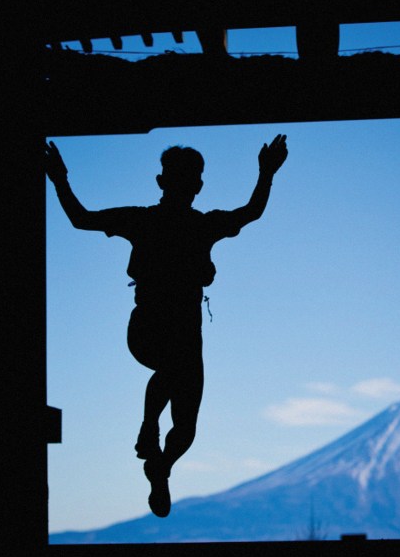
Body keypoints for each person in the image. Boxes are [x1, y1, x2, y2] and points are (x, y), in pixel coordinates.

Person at [44, 135, 288, 517]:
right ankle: (148, 428)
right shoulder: (191, 225)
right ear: (195, 185)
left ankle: (160, 468)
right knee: (175, 366)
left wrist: (60, 178)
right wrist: (266, 174)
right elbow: (251, 211)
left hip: (178, 337)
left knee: (187, 428)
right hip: (155, 331)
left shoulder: (151, 221)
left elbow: (82, 218)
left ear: (167, 183)